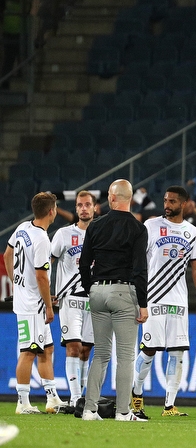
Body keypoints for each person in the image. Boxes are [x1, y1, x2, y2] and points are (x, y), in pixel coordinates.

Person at [131, 186, 196, 418]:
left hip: (179, 301)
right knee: (150, 349)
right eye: (165, 200)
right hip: (153, 298)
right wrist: (138, 296)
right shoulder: (151, 226)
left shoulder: (191, 232)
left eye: (172, 201)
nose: (167, 204)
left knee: (178, 352)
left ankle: (169, 406)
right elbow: (139, 262)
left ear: (183, 204)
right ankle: (136, 397)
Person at [78, 180, 149, 422]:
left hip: (98, 292)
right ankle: (122, 412)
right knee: (126, 356)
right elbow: (140, 269)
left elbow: (84, 263)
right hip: (123, 292)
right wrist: (143, 303)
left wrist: (92, 288)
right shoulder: (138, 229)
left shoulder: (95, 226)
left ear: (112, 197)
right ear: (128, 198)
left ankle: (89, 410)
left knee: (101, 354)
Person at [5, 192, 64, 415]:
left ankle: (52, 399)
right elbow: (41, 276)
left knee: (46, 349)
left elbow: (7, 255)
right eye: (56, 207)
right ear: (51, 211)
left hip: (30, 299)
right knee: (29, 351)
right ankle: (22, 402)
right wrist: (49, 306)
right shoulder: (41, 239)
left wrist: (16, 281)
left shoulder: (22, 228)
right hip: (32, 306)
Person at [50, 191, 96, 411]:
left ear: (95, 208)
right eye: (80, 205)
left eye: (88, 204)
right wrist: (50, 290)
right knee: (73, 347)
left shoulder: (100, 234)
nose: (84, 208)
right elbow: (48, 260)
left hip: (94, 300)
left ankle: (82, 397)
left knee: (86, 350)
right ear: (76, 209)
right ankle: (76, 398)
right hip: (69, 299)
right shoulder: (63, 234)